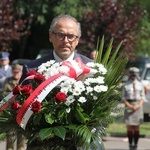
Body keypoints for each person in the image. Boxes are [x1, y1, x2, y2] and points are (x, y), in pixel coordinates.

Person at [19, 14, 103, 150]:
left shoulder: (92, 69)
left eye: (71, 36)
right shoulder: (32, 69)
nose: (66, 41)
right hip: (43, 144)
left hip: (83, 145)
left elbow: (103, 108)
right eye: (60, 35)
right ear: (50, 36)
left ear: (77, 40)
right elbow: (21, 108)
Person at [3, 64, 26, 150]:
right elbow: (3, 95)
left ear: (21, 72)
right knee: (10, 136)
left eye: (18, 72)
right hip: (10, 113)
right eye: (14, 72)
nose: (16, 74)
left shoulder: (24, 81)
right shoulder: (7, 81)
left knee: (22, 136)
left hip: (22, 113)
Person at [122, 67, 145, 150]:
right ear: (129, 74)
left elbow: (143, 97)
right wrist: (130, 106)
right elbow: (123, 98)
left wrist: (138, 106)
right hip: (129, 105)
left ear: (138, 74)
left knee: (136, 127)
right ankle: (130, 145)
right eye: (132, 73)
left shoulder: (140, 85)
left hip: (138, 105)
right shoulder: (126, 85)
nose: (133, 75)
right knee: (129, 126)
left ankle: (135, 144)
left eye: (135, 74)